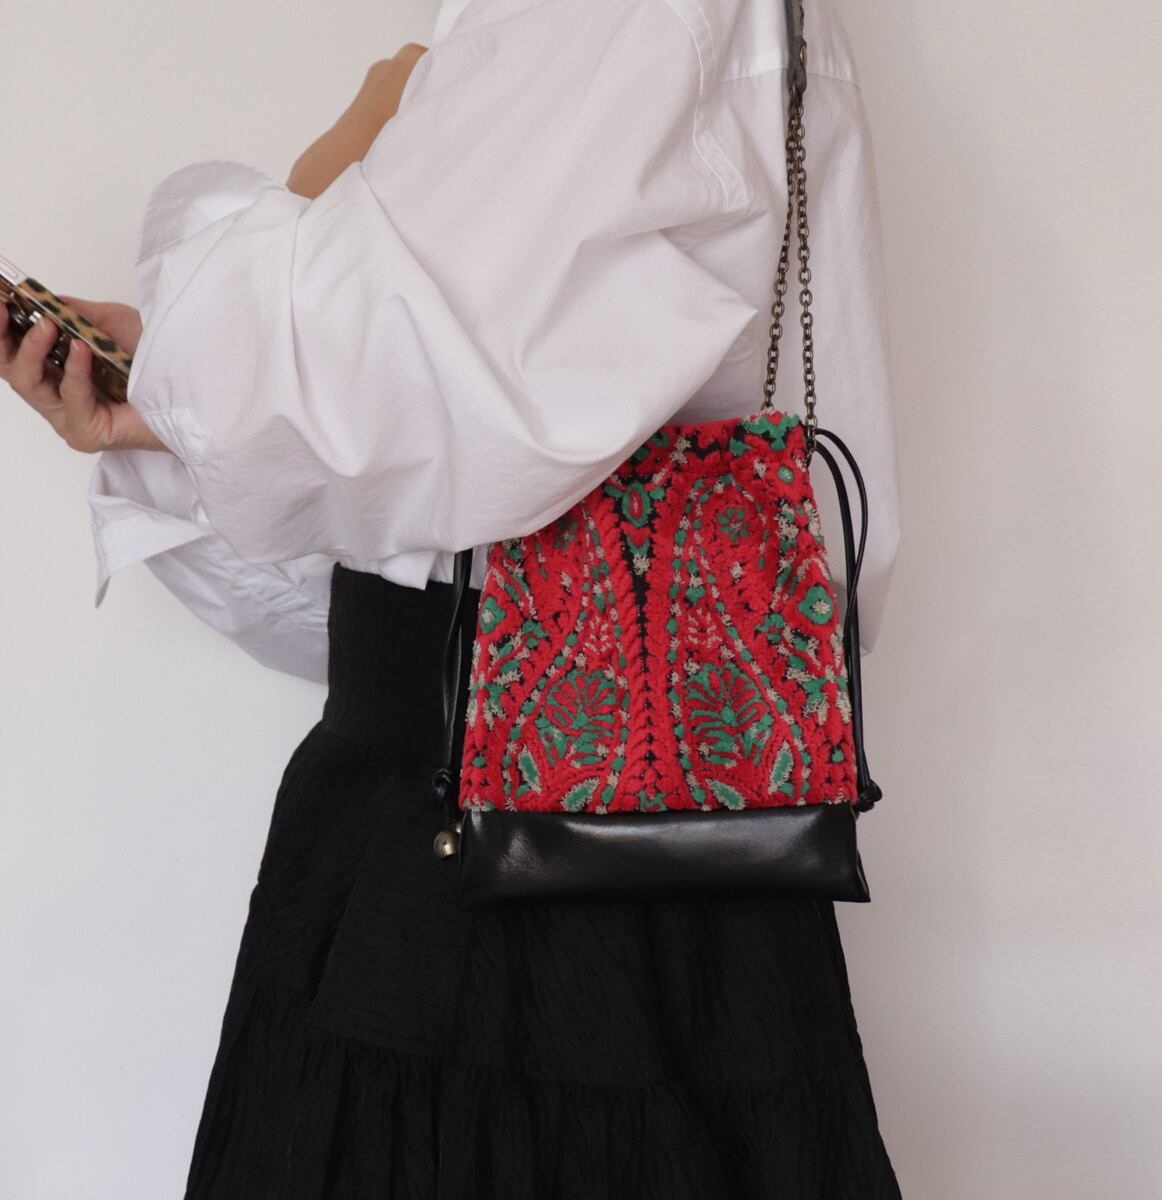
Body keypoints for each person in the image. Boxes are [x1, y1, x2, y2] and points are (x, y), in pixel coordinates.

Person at [3, 0, 904, 1194]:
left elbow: (346, 379)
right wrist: (180, 392)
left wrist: (357, 136)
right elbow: (410, 429)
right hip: (691, 845)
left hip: (477, 896)